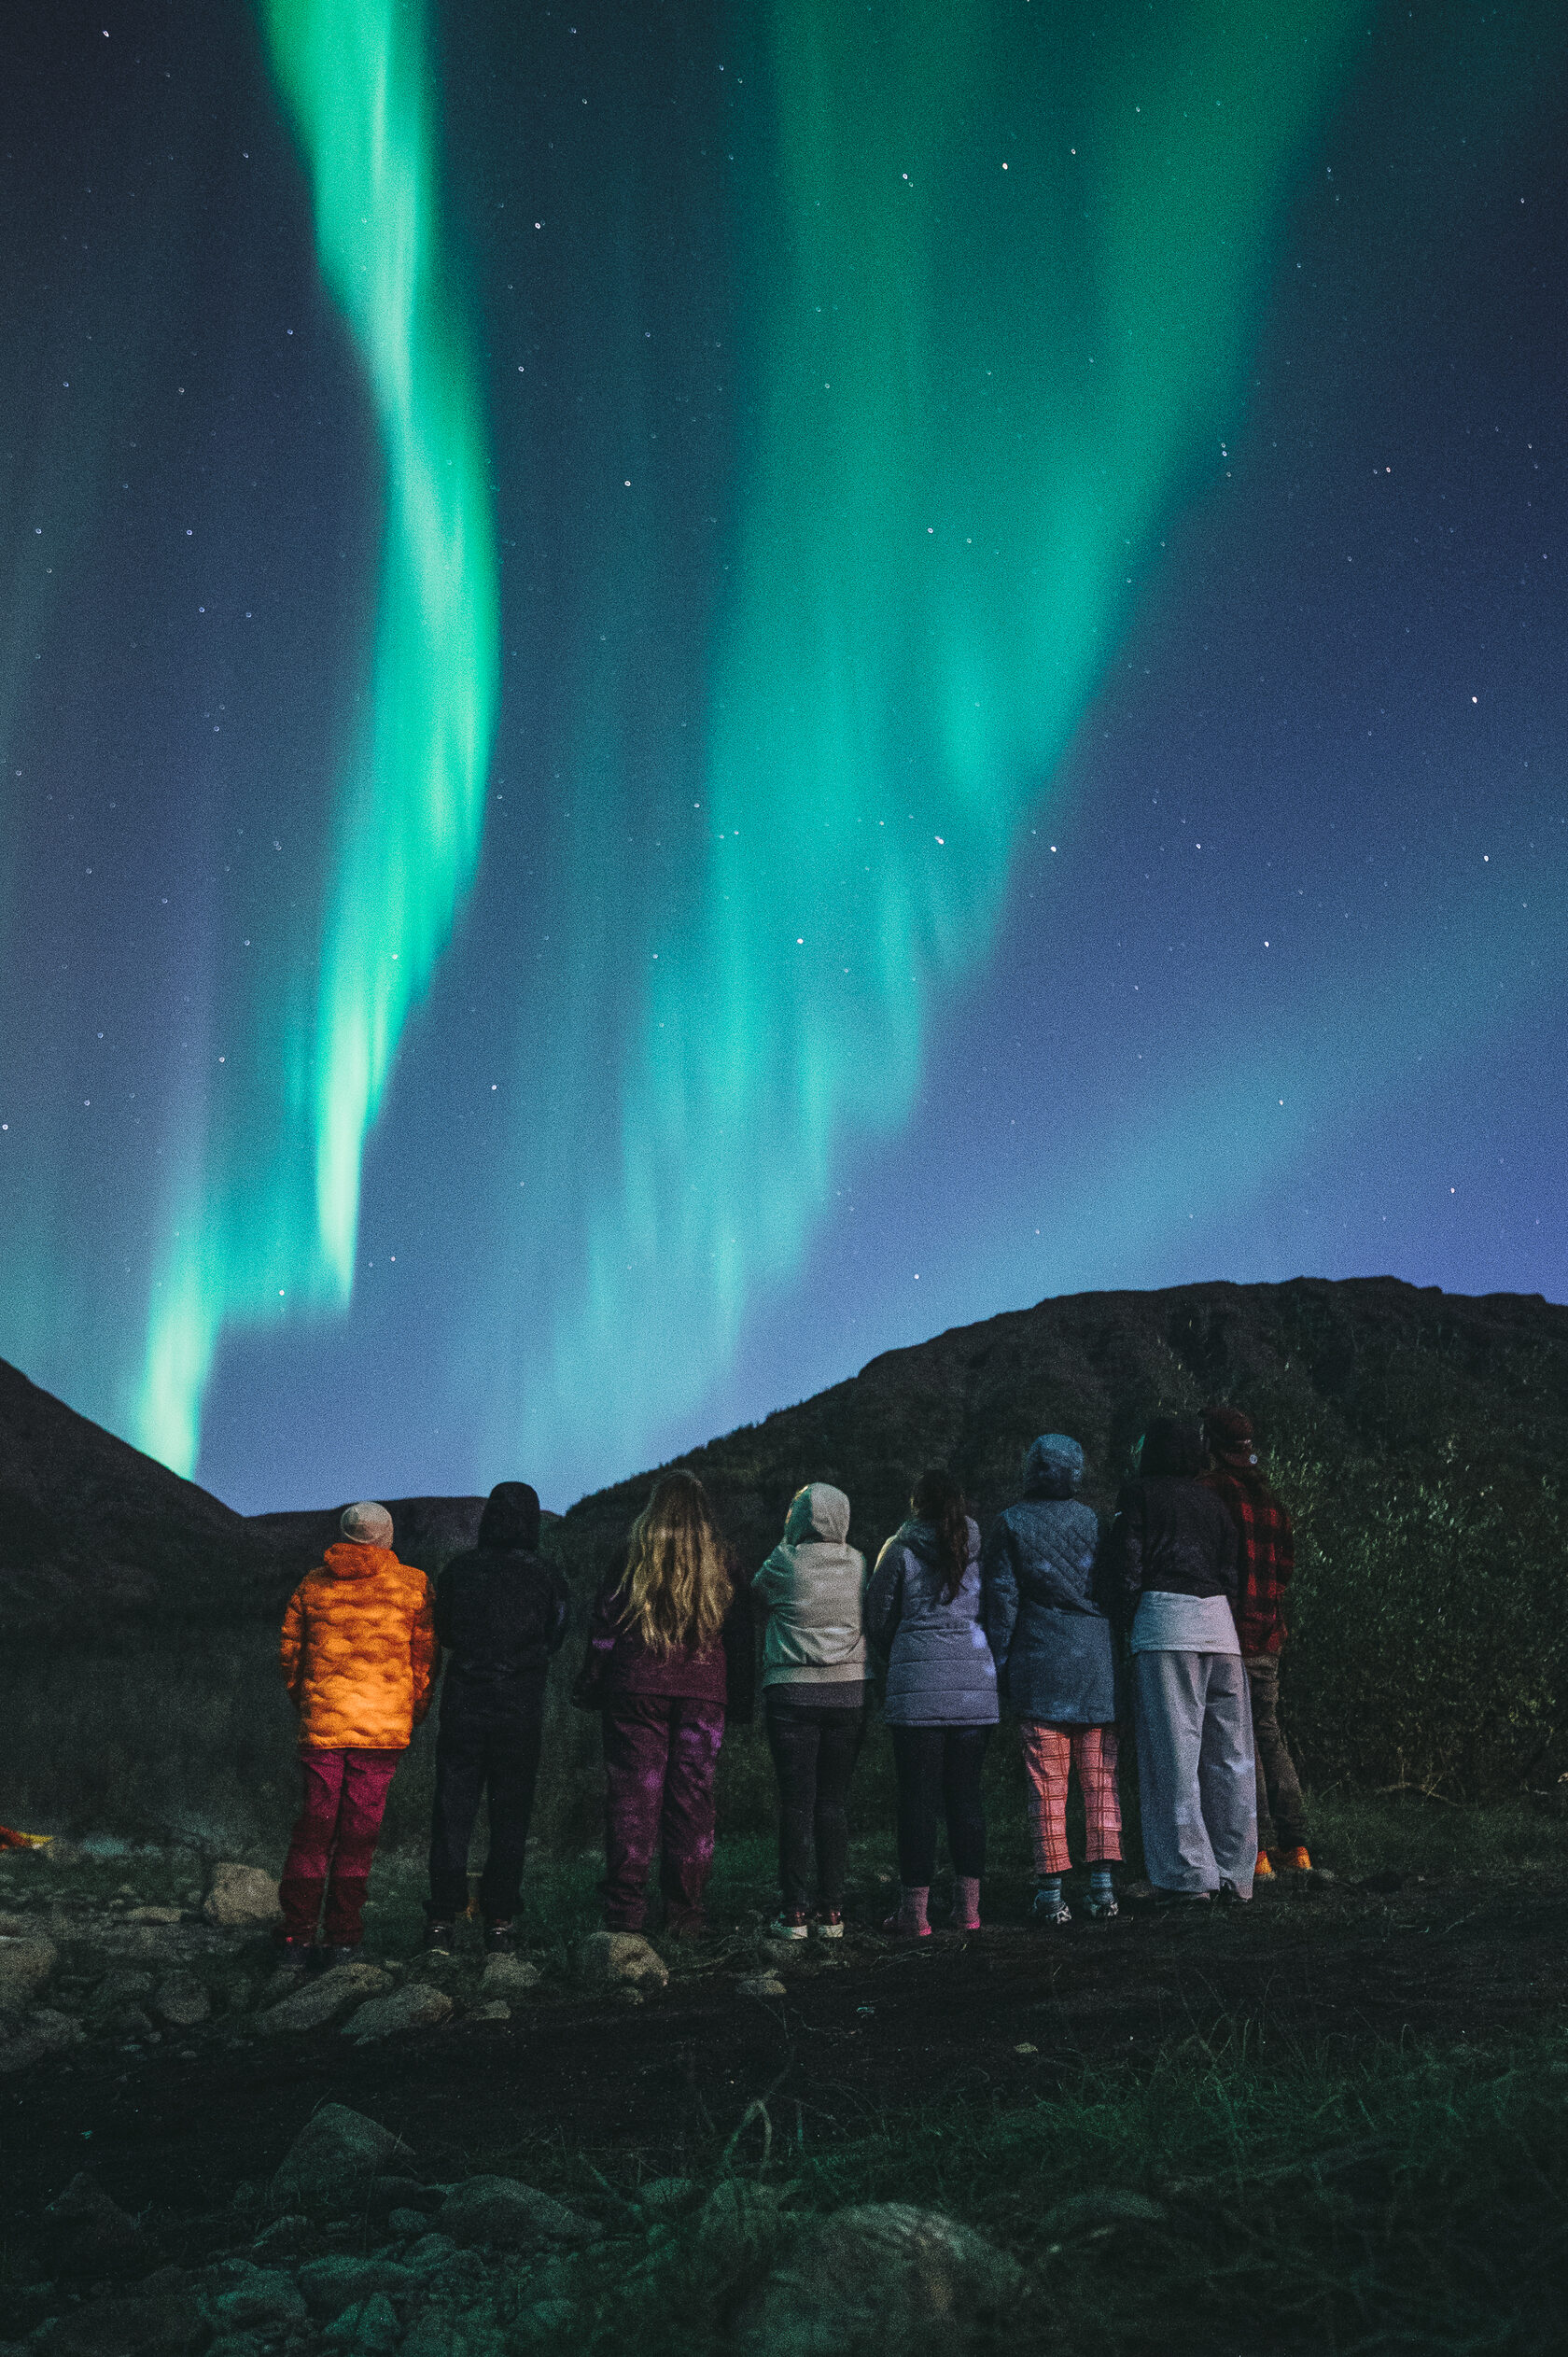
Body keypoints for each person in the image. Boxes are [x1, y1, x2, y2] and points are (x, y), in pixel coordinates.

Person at [575, 1468, 752, 1937]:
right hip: (703, 1694)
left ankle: (624, 1917)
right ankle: (686, 1917)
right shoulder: (723, 1559)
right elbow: (739, 1633)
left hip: (636, 1687)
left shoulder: (632, 1553)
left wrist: (591, 1683)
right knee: (692, 1804)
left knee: (633, 1800)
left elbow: (605, 1627)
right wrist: (741, 1698)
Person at [277, 1500, 437, 1968]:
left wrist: (310, 1704)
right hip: (382, 1730)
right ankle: (343, 1939)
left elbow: (291, 1657)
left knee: (313, 1833)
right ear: (387, 1538)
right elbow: (423, 1661)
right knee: (358, 1835)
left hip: (322, 1728)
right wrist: (412, 1711)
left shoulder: (312, 1584)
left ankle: (295, 1940)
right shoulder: (413, 1584)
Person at [1107, 1419, 1255, 1904]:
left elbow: (1127, 1567)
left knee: (1173, 1755)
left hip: (1165, 1622)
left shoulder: (1140, 1494)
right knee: (1230, 1755)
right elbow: (1233, 1572)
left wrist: (1128, 1620)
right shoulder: (1213, 1502)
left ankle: (1188, 1877)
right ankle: (1236, 1874)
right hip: (1220, 1626)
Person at [425, 1481, 569, 1955]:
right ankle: (500, 1921)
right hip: (520, 1708)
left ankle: (442, 1921)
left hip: (465, 1703)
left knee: (452, 1811)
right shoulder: (546, 1574)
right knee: (510, 1816)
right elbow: (557, 1634)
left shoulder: (459, 1571)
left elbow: (443, 1632)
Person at [983, 1433, 1121, 1927]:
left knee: (1048, 1785)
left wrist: (997, 1665)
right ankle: (1104, 1891)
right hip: (1095, 1663)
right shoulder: (1094, 1522)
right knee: (1100, 1782)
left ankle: (1050, 1896)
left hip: (1039, 1663)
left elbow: (1002, 1602)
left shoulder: (1011, 1523)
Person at [865, 1467, 998, 1937]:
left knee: (917, 1800)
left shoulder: (898, 1549)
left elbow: (877, 1616)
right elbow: (995, 1611)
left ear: (916, 1503)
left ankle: (914, 1915)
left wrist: (903, 1651)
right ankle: (969, 1913)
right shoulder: (978, 1549)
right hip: (974, 1685)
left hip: (916, 1690)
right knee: (966, 1797)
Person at [752, 1482, 868, 1940]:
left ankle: (795, 1914)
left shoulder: (785, 1561)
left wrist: (788, 1540)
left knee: (796, 1803)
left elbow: (757, 1594)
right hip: (850, 1693)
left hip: (791, 1694)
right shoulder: (859, 1562)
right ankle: (833, 1913)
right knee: (834, 1803)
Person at [1201, 1406, 1310, 1879]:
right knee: (1268, 1732)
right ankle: (1296, 1846)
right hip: (1268, 1634)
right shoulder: (1273, 1503)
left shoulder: (1211, 1494)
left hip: (1228, 1631)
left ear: (1211, 1444)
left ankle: (1258, 1851)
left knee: (1238, 1742)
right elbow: (1285, 1570)